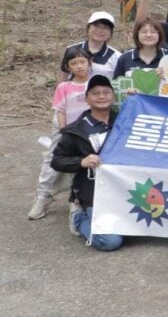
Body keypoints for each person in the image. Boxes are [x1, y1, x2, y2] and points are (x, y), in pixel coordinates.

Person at [51, 74, 124, 251]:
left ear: (113, 96)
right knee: (111, 241)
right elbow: (57, 160)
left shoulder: (124, 121)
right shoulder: (76, 130)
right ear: (86, 99)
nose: (101, 97)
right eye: (95, 93)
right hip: (91, 192)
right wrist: (81, 161)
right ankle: (79, 217)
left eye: (106, 92)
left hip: (121, 190)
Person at [29, 46, 92, 222]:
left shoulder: (96, 83)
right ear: (67, 66)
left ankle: (76, 201)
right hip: (69, 131)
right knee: (53, 160)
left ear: (89, 63)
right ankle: (42, 197)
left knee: (81, 166)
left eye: (82, 62)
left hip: (88, 132)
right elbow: (60, 110)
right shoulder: (64, 87)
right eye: (74, 63)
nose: (79, 66)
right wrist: (65, 131)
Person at [60, 11, 122, 80]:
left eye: (105, 27)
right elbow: (64, 77)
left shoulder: (117, 57)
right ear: (88, 28)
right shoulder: (71, 49)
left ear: (111, 32)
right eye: (96, 26)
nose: (100, 30)